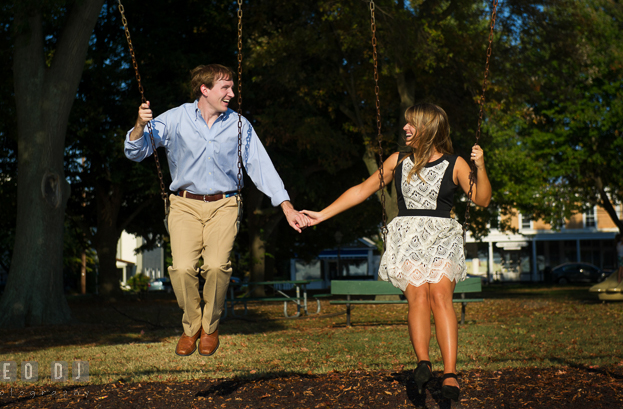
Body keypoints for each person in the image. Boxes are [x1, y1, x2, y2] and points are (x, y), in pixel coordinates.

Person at [301, 103, 491, 401]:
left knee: (440, 296)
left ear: (428, 128)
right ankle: (424, 364)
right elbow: (362, 190)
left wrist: (479, 166)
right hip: (408, 237)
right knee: (417, 296)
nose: (404, 128)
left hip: (442, 235)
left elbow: (481, 199)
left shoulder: (456, 164)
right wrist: (322, 215)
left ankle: (450, 374)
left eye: (411, 124)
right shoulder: (397, 160)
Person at [124, 64, 309, 357]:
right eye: (226, 87)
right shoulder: (174, 119)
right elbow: (136, 152)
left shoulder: (239, 124)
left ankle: (209, 328)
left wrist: (286, 205)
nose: (232, 94)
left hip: (225, 203)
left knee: (215, 267)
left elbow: (260, 167)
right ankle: (191, 327)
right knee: (183, 268)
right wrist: (138, 124)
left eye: (232, 87)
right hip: (184, 204)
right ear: (205, 89)